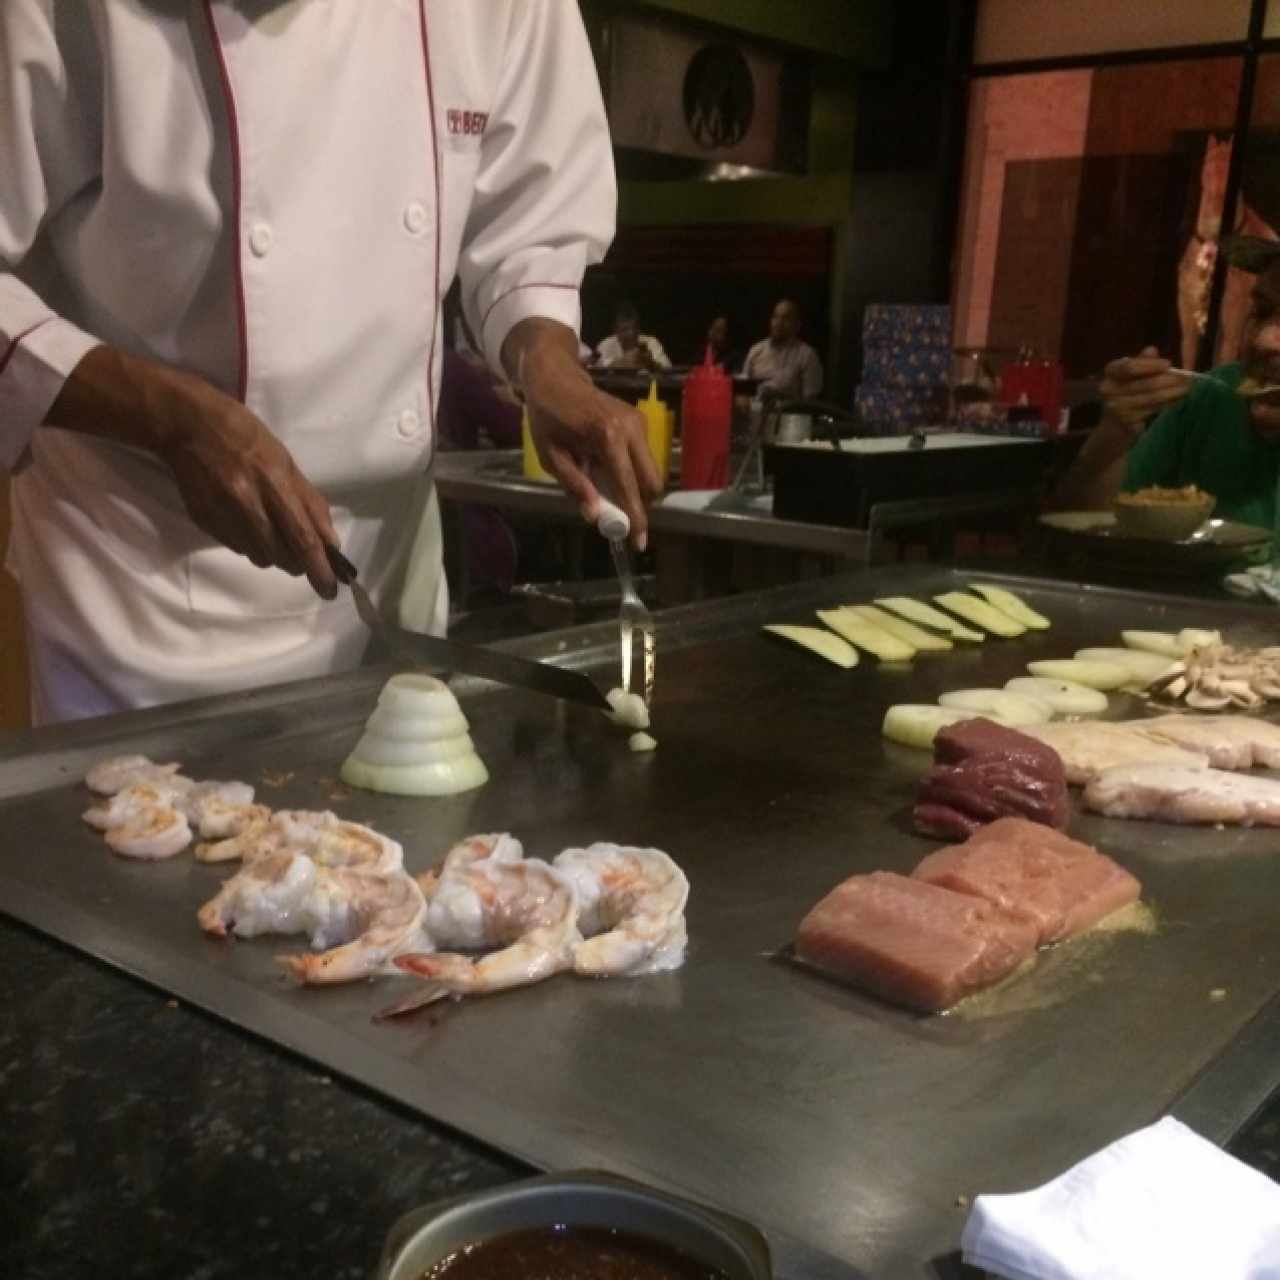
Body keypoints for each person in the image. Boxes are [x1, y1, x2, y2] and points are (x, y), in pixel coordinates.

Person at [0, 1, 658, 724]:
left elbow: (532, 211)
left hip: (388, 590)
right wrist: (166, 414)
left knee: (400, 827)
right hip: (140, 598)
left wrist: (547, 362)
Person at [1055, 236, 1280, 528]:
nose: (1264, 340)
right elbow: (1086, 528)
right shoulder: (1212, 396)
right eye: (1262, 312)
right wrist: (1113, 436)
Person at [741, 299, 823, 400]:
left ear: (797, 325)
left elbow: (811, 401)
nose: (779, 322)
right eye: (775, 317)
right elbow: (743, 392)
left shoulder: (807, 356)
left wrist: (780, 396)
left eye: (786, 318)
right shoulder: (756, 350)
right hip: (755, 412)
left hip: (790, 413)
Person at [594, 304, 671, 371]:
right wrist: (624, 361)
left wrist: (650, 363)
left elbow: (667, 368)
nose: (631, 333)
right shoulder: (606, 345)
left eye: (635, 328)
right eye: (625, 329)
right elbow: (595, 368)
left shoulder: (651, 342)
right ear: (616, 331)